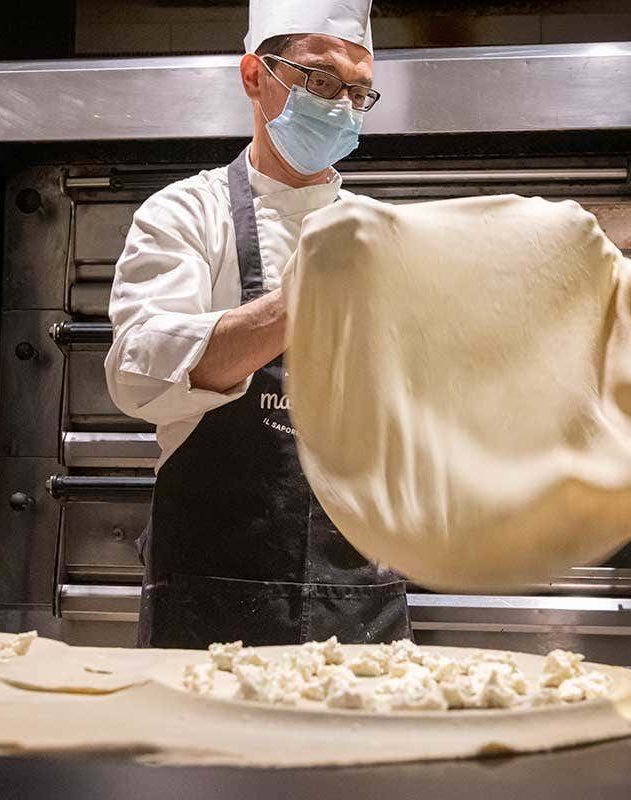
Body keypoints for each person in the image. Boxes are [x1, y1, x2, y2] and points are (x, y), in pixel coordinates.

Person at [105, 0, 412, 649]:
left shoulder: (390, 237)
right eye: (320, 81)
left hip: (355, 599)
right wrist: (299, 299)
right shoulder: (188, 214)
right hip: (211, 598)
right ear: (255, 75)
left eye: (359, 92)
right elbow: (139, 371)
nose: (341, 106)